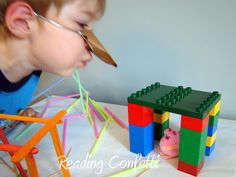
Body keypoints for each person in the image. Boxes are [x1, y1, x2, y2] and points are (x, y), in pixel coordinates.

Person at [0, 0, 117, 133]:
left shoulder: (33, 67)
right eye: (81, 24)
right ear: (23, 21)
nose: (90, 53)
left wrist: (16, 114)